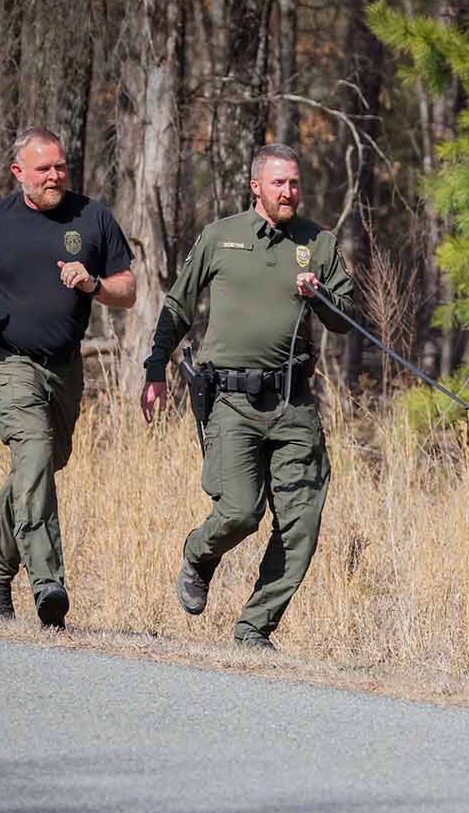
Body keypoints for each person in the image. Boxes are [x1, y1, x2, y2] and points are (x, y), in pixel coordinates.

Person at [140, 143, 355, 646]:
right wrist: (155, 367)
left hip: (293, 403)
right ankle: (199, 554)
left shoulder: (317, 244)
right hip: (232, 401)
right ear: (256, 186)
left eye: (295, 183)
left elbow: (347, 320)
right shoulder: (221, 236)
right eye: (279, 183)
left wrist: (320, 297)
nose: (289, 191)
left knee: (301, 525)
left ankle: (254, 626)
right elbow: (178, 305)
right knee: (239, 511)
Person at [0, 127, 136, 627]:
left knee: (42, 463)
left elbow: (126, 289)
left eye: (60, 166)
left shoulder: (92, 217)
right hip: (8, 360)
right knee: (35, 454)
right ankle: (48, 581)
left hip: (65, 365)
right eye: (43, 168)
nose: (55, 175)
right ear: (18, 172)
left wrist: (94, 285)